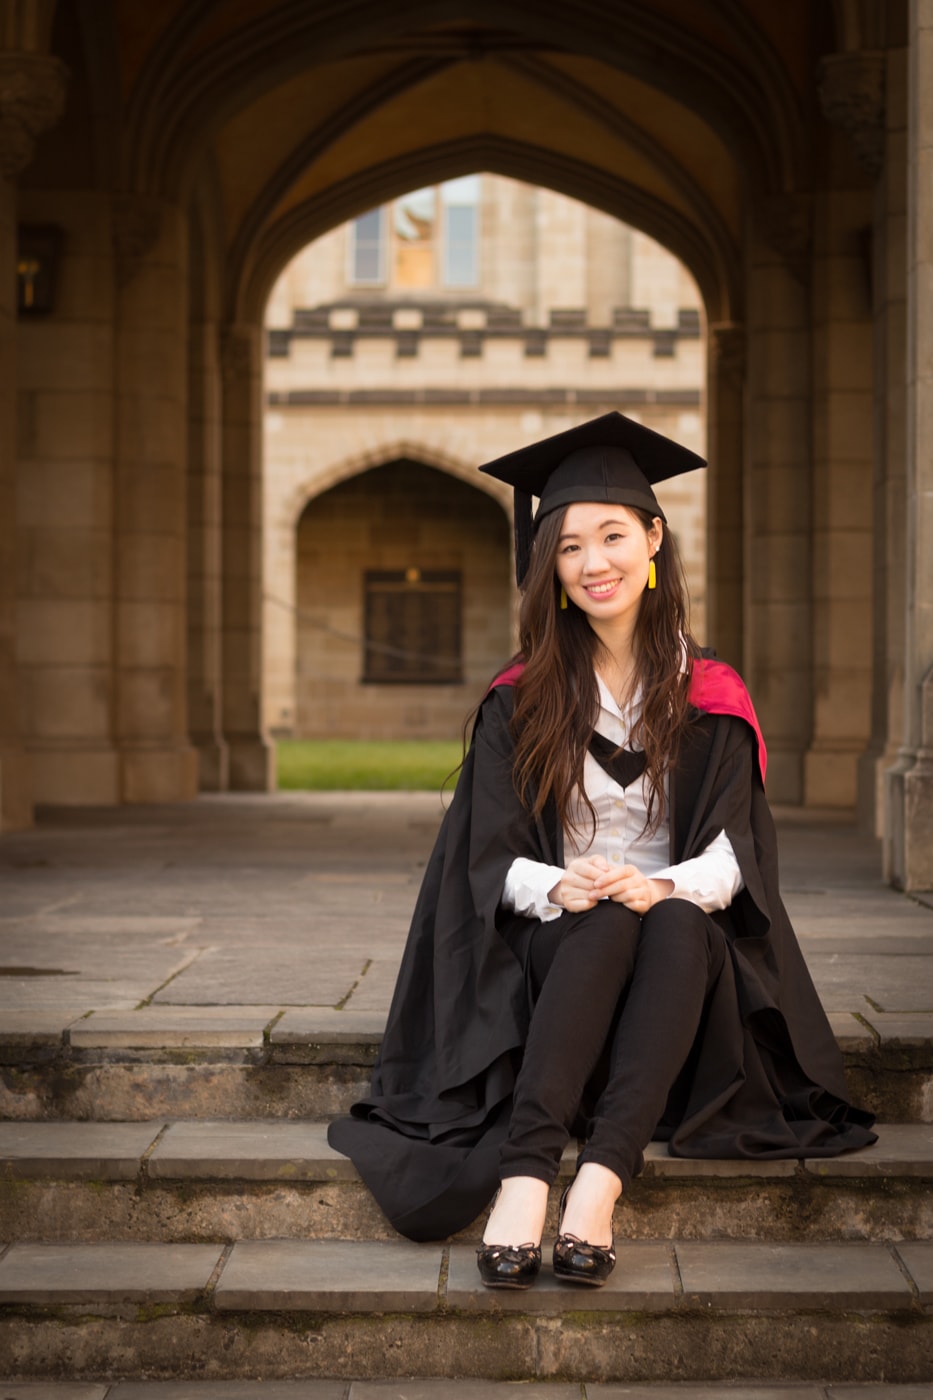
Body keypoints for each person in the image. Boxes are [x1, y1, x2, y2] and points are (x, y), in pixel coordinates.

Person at [327, 412, 876, 1289]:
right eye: (570, 545)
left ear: (652, 539)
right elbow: (485, 862)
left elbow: (737, 859)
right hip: (557, 950)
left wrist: (653, 882)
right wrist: (563, 882)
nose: (594, 563)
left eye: (613, 536)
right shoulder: (520, 699)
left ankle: (596, 1182)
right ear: (548, 564)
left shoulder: (712, 694)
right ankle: (525, 1174)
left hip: (675, 959)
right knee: (605, 925)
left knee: (668, 924)